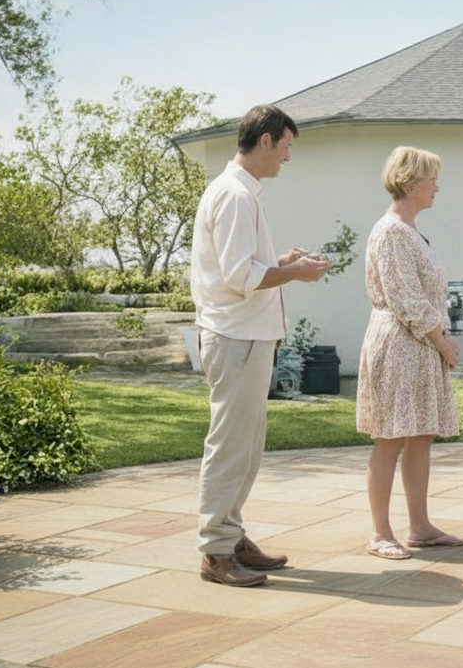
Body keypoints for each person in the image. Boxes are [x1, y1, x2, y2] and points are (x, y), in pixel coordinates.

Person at [192, 104, 332, 587]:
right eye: (287, 146)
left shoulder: (242, 193)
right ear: (266, 140)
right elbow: (239, 276)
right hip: (236, 337)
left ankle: (231, 536)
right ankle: (215, 549)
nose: (288, 158)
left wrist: (282, 261)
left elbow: (245, 266)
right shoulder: (234, 195)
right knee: (230, 446)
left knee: (246, 447)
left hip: (247, 336)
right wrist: (293, 272)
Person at [357, 146, 463, 560]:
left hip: (419, 345)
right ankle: (380, 532)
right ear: (409, 182)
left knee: (420, 434)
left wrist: (437, 341)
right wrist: (443, 342)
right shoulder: (390, 232)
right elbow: (404, 299)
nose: (437, 186)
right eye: (432, 178)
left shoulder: (411, 230)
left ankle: (420, 526)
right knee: (390, 436)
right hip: (400, 344)